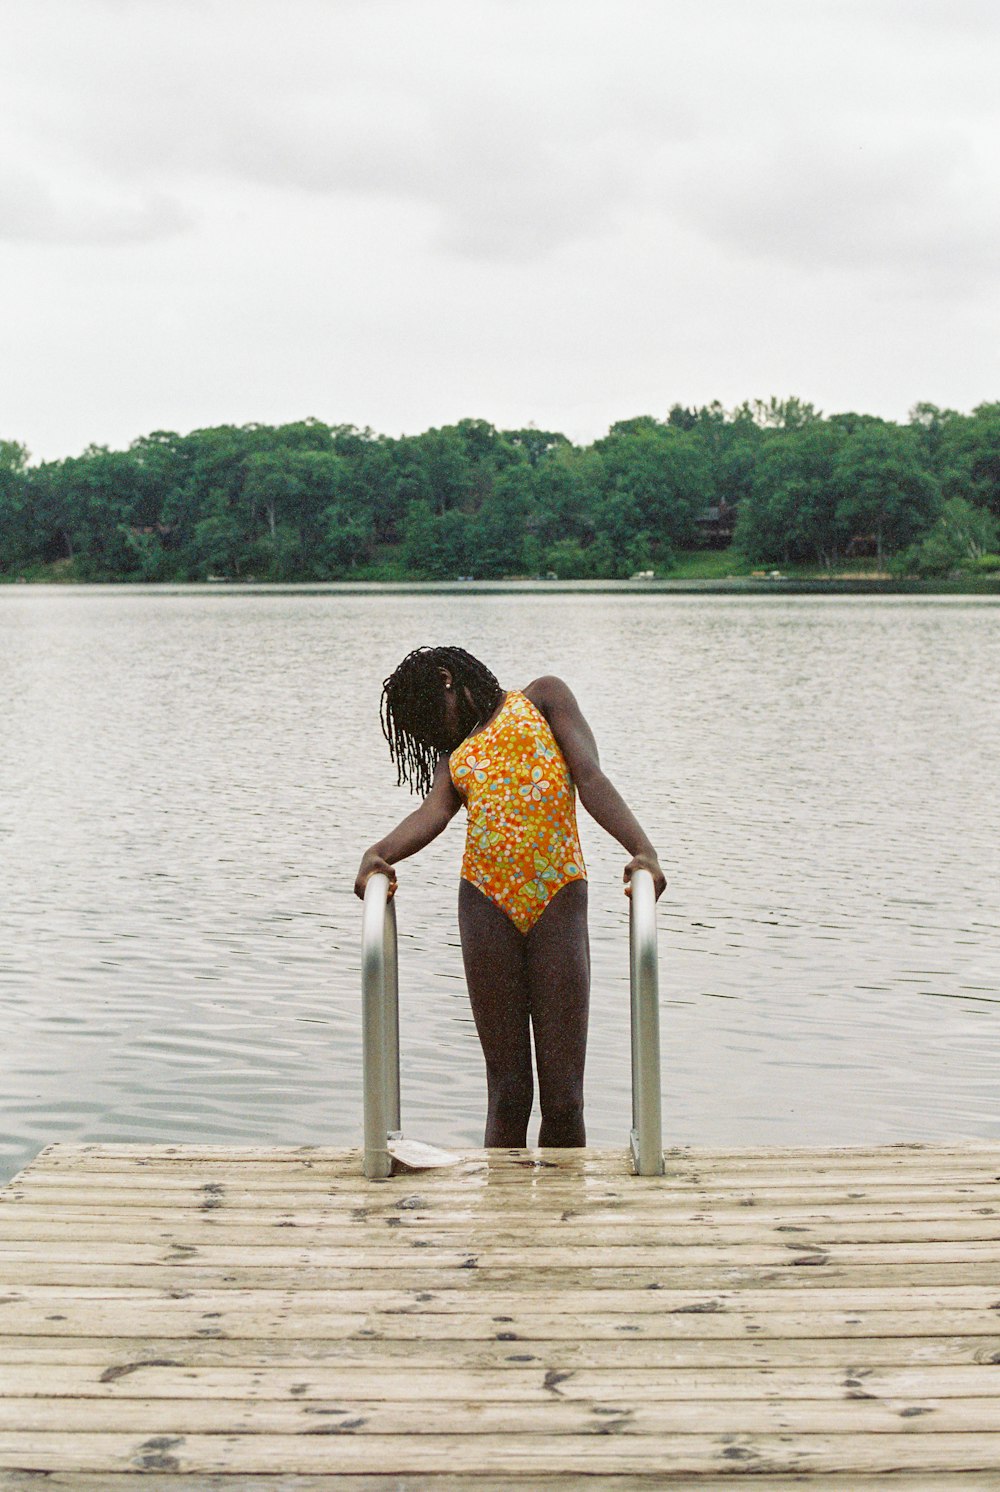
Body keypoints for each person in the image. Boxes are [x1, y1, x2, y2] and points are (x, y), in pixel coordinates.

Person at [354, 646, 666, 1148]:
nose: (435, 734)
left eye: (433, 716)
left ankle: (563, 1218)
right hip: (484, 904)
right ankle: (502, 1217)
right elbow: (432, 815)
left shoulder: (543, 698)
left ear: (447, 678)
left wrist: (642, 849)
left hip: (557, 898)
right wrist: (379, 851)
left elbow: (590, 778)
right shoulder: (455, 753)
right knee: (509, 1092)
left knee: (564, 1099)